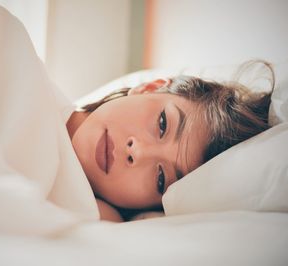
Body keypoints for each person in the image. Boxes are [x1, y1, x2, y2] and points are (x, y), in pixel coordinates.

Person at [66, 60, 274, 222]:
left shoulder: (93, 218)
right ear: (150, 87)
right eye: (162, 124)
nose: (137, 152)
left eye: (160, 179)